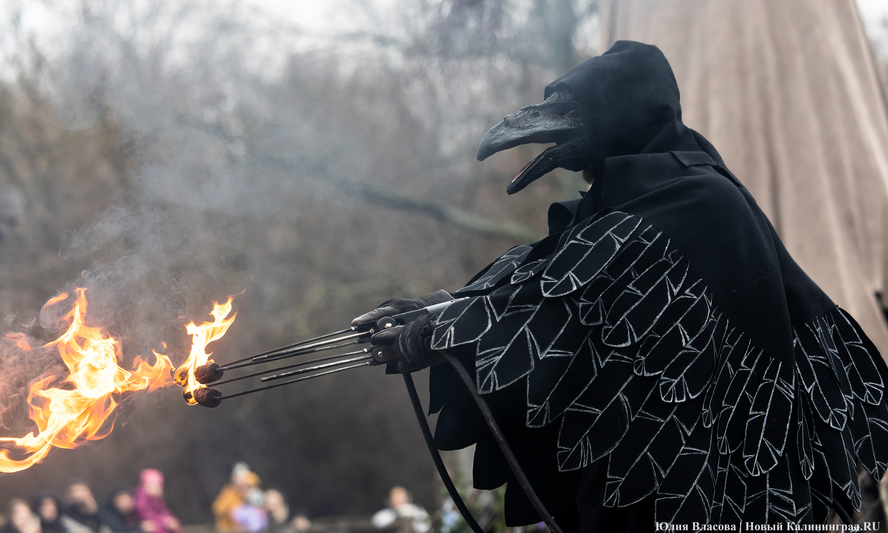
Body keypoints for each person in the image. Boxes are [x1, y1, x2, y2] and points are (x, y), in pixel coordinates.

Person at [356, 41, 888, 530]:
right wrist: (444, 309)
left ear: (623, 113)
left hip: (720, 494)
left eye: (573, 109)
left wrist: (444, 330)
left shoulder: (701, 201)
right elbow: (555, 271)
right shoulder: (633, 203)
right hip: (645, 485)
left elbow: (570, 294)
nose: (547, 124)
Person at [212, 462, 262, 532]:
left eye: (243, 477)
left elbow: (256, 481)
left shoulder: (251, 490)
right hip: (229, 529)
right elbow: (218, 509)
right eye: (237, 477)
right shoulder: (229, 492)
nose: (240, 480)